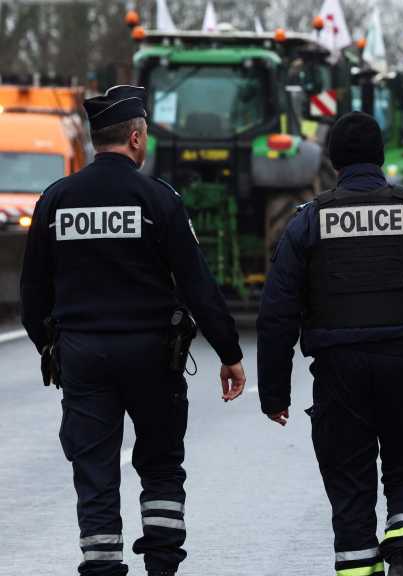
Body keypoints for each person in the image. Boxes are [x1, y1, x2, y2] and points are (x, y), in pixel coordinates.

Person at [20, 85, 246, 576]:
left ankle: (102, 567)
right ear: (138, 137)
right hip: (152, 355)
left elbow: (32, 296)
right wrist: (229, 352)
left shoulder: (55, 200)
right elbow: (198, 286)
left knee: (95, 471)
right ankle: (162, 565)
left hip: (82, 353)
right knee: (161, 463)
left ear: (95, 138)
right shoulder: (158, 198)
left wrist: (53, 351)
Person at [257, 111, 403, 576]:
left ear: (334, 162)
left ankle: (361, 569)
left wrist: (274, 393)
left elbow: (277, 314)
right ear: (382, 158)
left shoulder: (308, 224)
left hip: (339, 375)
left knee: (349, 484)